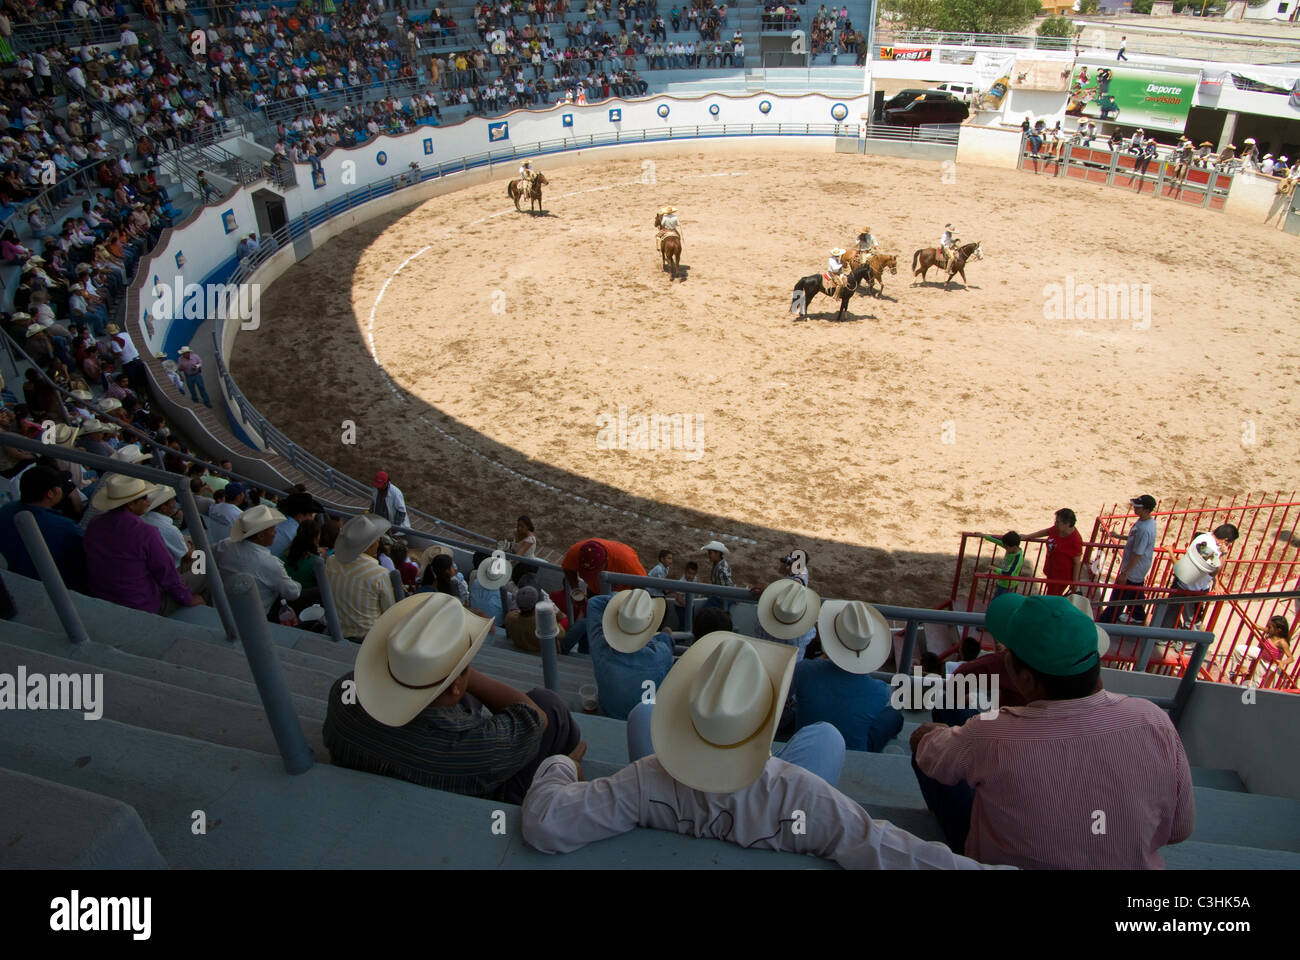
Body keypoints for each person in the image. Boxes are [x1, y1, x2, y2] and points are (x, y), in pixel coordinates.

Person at [521, 631, 997, 869]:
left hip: (665, 798)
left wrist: (563, 761)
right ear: (767, 722)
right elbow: (891, 849)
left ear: (687, 717)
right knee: (827, 737)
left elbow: (544, 822)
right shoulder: (804, 798)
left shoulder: (643, 779)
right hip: (778, 807)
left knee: (642, 715)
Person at [911, 592, 1194, 868]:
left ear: (1025, 678)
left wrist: (931, 735)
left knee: (926, 744)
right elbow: (1179, 830)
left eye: (1009, 653)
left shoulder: (990, 734)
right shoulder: (1154, 720)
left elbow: (927, 749)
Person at [323, 592, 582, 804]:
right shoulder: (476, 748)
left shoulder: (345, 691)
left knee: (470, 702)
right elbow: (536, 717)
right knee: (549, 704)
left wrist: (453, 673)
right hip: (469, 789)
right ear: (453, 686)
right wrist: (462, 672)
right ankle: (563, 767)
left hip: (394, 766)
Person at [84, 474, 205, 615]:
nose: (148, 502)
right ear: (131, 504)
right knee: (207, 570)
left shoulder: (94, 524)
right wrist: (187, 598)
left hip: (104, 595)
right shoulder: (146, 533)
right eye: (144, 498)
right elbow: (167, 575)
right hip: (141, 604)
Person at [793, 599, 903, 752]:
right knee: (894, 716)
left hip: (805, 743)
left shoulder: (804, 670)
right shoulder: (880, 691)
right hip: (853, 753)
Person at [585, 588, 674, 721]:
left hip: (608, 711)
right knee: (665, 637)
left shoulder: (599, 645)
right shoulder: (662, 656)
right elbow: (665, 646)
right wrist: (665, 636)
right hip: (643, 719)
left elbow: (594, 603)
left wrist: (619, 602)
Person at [0, 464, 88, 592]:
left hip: (13, 576)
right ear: (51, 493)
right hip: (49, 586)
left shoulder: (7, 510)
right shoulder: (65, 528)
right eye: (59, 486)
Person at [213, 504, 303, 616]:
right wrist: (298, 584)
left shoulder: (226, 544)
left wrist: (203, 577)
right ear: (260, 535)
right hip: (251, 618)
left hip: (219, 606)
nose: (275, 533)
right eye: (272, 529)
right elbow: (292, 593)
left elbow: (206, 555)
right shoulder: (271, 563)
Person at [1152, 523, 1239, 633]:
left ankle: (1163, 638)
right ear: (1225, 540)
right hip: (1193, 589)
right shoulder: (1207, 547)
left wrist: (1216, 583)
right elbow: (1214, 571)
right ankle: (1186, 644)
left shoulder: (1202, 538)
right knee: (1192, 620)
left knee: (1172, 613)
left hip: (1184, 583)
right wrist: (1224, 555)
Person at [324, 513, 397, 641]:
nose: (378, 541)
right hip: (367, 638)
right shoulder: (379, 573)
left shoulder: (331, 562)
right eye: (375, 539)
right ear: (369, 545)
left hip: (335, 630)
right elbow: (390, 611)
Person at [1100, 495, 1157, 625]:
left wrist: (1126, 573)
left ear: (1147, 510)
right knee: (1134, 593)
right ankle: (1138, 615)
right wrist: (1119, 536)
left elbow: (1138, 553)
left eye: (1139, 506)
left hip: (1134, 569)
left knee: (1119, 597)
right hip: (1136, 568)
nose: (1135, 508)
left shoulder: (1145, 529)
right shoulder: (1146, 522)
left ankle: (1105, 621)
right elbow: (1134, 538)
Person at [1022, 508, 1082, 596]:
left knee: (1052, 597)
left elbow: (1077, 562)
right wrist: (1027, 536)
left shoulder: (1075, 540)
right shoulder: (1058, 529)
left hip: (1061, 577)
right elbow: (1047, 531)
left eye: (1058, 522)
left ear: (1067, 524)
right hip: (1051, 569)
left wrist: (1074, 584)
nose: (1055, 524)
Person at [505, 584, 567, 653]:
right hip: (545, 654)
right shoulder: (545, 624)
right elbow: (562, 634)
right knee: (571, 622)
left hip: (521, 646)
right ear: (537, 605)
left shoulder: (509, 617)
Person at [979, 531, 1024, 598]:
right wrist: (984, 535)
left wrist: (994, 568)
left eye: (1006, 547)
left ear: (1014, 547)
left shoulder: (1017, 558)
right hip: (1002, 581)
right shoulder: (1011, 547)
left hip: (1008, 585)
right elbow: (997, 540)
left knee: (999, 600)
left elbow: (1008, 573)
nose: (1005, 548)